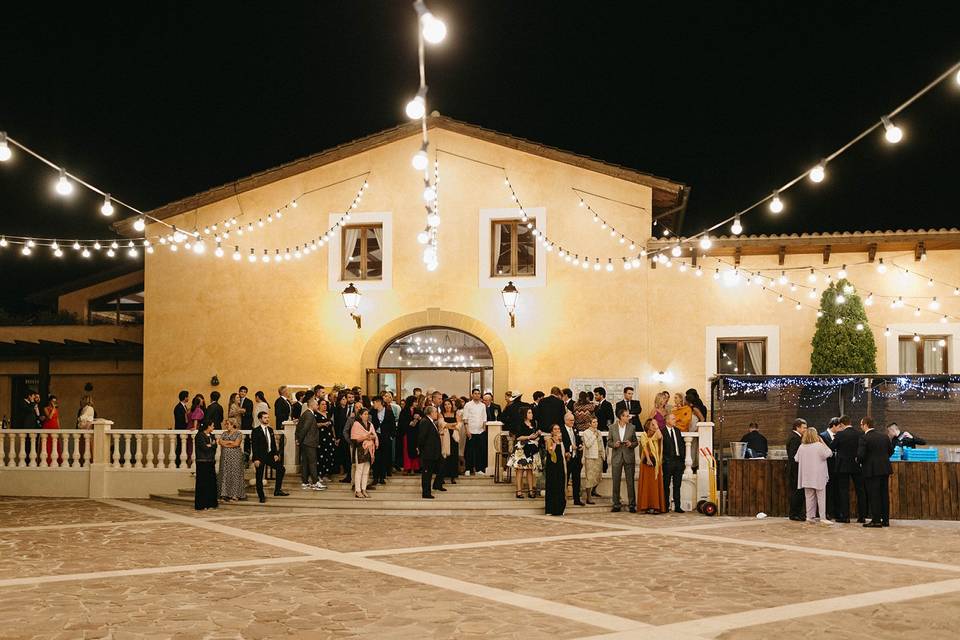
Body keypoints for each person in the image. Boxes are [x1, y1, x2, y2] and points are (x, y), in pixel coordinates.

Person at [859, 416, 894, 528]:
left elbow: (860, 455)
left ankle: (876, 520)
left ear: (865, 425)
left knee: (874, 495)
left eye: (861, 425)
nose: (860, 427)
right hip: (884, 469)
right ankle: (886, 520)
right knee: (884, 495)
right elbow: (891, 451)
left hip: (871, 471)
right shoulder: (884, 437)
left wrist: (859, 461)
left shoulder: (864, 438)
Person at [832, 415, 868, 523]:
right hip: (857, 465)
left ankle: (845, 517)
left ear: (842, 424)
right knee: (860, 491)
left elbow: (831, 447)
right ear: (850, 422)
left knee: (843, 491)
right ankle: (862, 517)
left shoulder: (840, 434)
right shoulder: (860, 434)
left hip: (843, 466)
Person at [794, 427, 833, 524]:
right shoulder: (819, 445)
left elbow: (796, 459)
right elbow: (829, 453)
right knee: (821, 497)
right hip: (818, 475)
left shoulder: (802, 446)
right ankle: (822, 518)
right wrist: (823, 442)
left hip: (806, 476)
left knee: (809, 497)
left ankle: (809, 517)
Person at [251, 411, 287, 503]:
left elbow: (273, 444)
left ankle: (277, 490)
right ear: (260, 419)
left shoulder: (270, 430)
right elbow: (254, 446)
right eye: (265, 417)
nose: (267, 419)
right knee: (259, 476)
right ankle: (261, 496)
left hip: (270, 455)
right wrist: (256, 459)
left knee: (281, 469)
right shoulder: (255, 431)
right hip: (260, 457)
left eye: (267, 417)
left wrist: (275, 454)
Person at [608, 407, 638, 513]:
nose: (628, 417)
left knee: (630, 482)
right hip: (616, 457)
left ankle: (632, 505)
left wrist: (631, 444)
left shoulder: (632, 427)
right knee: (616, 481)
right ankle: (616, 504)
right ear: (621, 417)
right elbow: (609, 442)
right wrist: (614, 444)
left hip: (629, 457)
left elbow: (636, 442)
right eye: (626, 415)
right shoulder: (612, 427)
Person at [509, 407, 541, 499]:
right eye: (529, 413)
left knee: (530, 470)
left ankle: (531, 491)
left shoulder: (533, 423)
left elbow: (533, 436)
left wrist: (537, 434)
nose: (532, 414)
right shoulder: (520, 424)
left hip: (531, 448)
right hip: (522, 449)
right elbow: (518, 437)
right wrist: (528, 437)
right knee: (520, 470)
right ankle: (519, 491)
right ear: (525, 414)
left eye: (531, 413)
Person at [637, 418, 665, 514]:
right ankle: (645, 506)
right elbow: (644, 447)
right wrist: (648, 459)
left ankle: (655, 506)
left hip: (656, 463)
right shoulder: (644, 435)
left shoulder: (656, 434)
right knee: (646, 484)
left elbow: (660, 436)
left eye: (656, 424)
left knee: (654, 485)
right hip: (647, 463)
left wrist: (657, 426)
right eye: (653, 424)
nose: (655, 426)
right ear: (649, 426)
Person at [295, 396, 323, 490]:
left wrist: (299, 439)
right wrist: (300, 439)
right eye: (316, 404)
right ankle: (315, 482)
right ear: (312, 405)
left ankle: (305, 482)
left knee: (305, 463)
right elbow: (304, 429)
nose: (318, 406)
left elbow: (298, 427)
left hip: (305, 442)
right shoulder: (309, 415)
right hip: (309, 442)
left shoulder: (305, 413)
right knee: (312, 462)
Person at [351, 408, 378, 499]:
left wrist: (370, 437)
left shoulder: (370, 424)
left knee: (366, 470)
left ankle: (364, 489)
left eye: (367, 414)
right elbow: (355, 439)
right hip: (360, 449)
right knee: (359, 470)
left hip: (369, 448)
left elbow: (374, 435)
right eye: (365, 414)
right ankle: (357, 490)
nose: (367, 416)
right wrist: (365, 437)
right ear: (360, 415)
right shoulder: (356, 424)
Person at [661, 412, 685, 513]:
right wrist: (664, 460)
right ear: (667, 420)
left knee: (677, 485)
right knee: (666, 485)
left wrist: (682, 460)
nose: (675, 420)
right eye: (673, 419)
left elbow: (682, 446)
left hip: (678, 462)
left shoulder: (678, 431)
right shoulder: (662, 432)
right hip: (668, 462)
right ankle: (665, 506)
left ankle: (677, 506)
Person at [217, 418, 246, 501]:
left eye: (228, 424)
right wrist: (230, 443)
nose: (226, 426)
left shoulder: (238, 433)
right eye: (226, 424)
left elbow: (236, 444)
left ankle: (235, 494)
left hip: (235, 457)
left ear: (233, 424)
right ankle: (224, 494)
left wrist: (226, 443)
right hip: (225, 457)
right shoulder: (224, 433)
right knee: (225, 474)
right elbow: (220, 442)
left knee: (235, 474)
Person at [559, 411, 584, 506]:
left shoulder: (575, 429)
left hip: (575, 458)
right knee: (564, 479)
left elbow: (577, 440)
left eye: (573, 420)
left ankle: (576, 499)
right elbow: (561, 442)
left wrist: (580, 445)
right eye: (571, 420)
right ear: (565, 420)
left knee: (577, 479)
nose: (573, 422)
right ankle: (562, 498)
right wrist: (570, 447)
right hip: (567, 458)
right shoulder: (561, 430)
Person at [819, 417, 842, 519]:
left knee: (838, 490)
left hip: (838, 467)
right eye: (839, 426)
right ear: (833, 426)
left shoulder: (840, 436)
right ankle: (827, 512)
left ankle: (837, 512)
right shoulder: (823, 436)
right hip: (827, 467)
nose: (841, 429)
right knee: (828, 491)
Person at [370, 395, 396, 485]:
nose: (373, 405)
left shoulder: (389, 412)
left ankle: (382, 477)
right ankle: (375, 477)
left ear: (379, 402)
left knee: (384, 457)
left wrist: (391, 436)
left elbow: (393, 425)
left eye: (374, 403)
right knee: (376, 457)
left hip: (386, 438)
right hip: (375, 437)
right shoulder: (372, 412)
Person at [462, 388, 488, 476]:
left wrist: (484, 428)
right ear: (472, 395)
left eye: (478, 393)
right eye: (475, 393)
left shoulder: (482, 405)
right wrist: (467, 430)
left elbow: (484, 418)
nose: (477, 395)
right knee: (469, 451)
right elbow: (465, 418)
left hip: (480, 431)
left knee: (479, 451)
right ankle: (468, 469)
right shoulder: (468, 405)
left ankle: (479, 469)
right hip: (471, 431)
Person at [194, 421, 219, 510]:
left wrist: (210, 446)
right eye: (212, 425)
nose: (214, 427)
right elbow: (204, 448)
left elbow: (215, 446)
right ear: (208, 426)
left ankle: (211, 503)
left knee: (211, 483)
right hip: (202, 461)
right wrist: (210, 446)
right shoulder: (200, 435)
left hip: (210, 461)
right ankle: (202, 504)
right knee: (203, 483)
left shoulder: (212, 436)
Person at [418, 406, 442, 498]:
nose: (437, 413)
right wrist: (423, 450)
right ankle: (426, 493)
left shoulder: (430, 422)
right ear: (430, 413)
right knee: (427, 474)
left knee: (436, 469)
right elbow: (422, 438)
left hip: (433, 453)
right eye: (435, 412)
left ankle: (435, 486)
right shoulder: (425, 422)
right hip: (428, 453)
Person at [786, 418, 807, 521]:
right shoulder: (795, 438)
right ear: (797, 427)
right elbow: (793, 457)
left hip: (796, 470)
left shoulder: (796, 437)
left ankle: (796, 513)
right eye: (804, 428)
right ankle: (794, 514)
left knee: (797, 492)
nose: (805, 430)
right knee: (796, 492)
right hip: (796, 470)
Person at [543, 424, 567, 516]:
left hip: (560, 465)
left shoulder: (562, 441)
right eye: (555, 429)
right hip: (552, 466)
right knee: (552, 485)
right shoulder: (549, 440)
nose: (557, 430)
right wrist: (555, 443)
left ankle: (560, 509)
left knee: (560, 485)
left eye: (558, 429)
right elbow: (550, 451)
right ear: (552, 431)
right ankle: (550, 509)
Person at [581, 417, 604, 504]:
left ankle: (594, 490)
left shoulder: (599, 432)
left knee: (598, 476)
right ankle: (588, 497)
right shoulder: (586, 432)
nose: (596, 423)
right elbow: (587, 444)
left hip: (599, 456)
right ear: (590, 424)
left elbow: (601, 443)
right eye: (594, 422)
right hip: (590, 457)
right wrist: (594, 435)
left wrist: (603, 454)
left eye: (596, 422)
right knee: (590, 477)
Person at [439, 398, 461, 487]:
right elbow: (442, 424)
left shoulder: (456, 413)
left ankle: (453, 476)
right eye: (445, 404)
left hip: (454, 437)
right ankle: (443, 476)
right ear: (443, 406)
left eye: (449, 404)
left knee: (454, 456)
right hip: (445, 437)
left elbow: (459, 425)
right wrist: (452, 425)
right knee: (445, 456)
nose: (447, 406)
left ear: (452, 405)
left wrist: (448, 426)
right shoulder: (441, 414)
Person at [334, 392, 355, 484]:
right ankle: (348, 474)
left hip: (354, 435)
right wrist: (338, 437)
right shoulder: (342, 409)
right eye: (348, 397)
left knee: (352, 457)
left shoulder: (356, 407)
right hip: (344, 436)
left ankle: (352, 476)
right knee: (346, 455)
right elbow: (339, 424)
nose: (350, 399)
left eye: (352, 397)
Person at [316, 399, 338, 482]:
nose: (324, 406)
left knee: (329, 456)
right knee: (320, 456)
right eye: (322, 404)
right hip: (320, 439)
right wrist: (323, 424)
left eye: (325, 404)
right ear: (318, 405)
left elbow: (332, 427)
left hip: (330, 438)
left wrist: (335, 437)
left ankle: (326, 474)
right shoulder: (316, 414)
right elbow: (314, 425)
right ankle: (319, 475)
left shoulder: (328, 414)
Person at [399, 396, 421, 474]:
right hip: (407, 433)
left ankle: (413, 468)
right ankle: (407, 467)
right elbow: (401, 422)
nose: (416, 403)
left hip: (415, 433)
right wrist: (409, 423)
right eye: (415, 402)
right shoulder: (404, 411)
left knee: (415, 449)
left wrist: (419, 418)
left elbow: (422, 421)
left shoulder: (418, 410)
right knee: (406, 450)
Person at [41, 394, 61, 466]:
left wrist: (59, 428)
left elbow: (57, 418)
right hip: (48, 426)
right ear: (50, 401)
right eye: (53, 401)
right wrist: (53, 409)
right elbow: (49, 417)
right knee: (48, 444)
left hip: (55, 426)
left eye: (55, 401)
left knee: (55, 443)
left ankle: (56, 461)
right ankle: (48, 461)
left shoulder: (56, 409)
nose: (54, 403)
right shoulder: (46, 408)